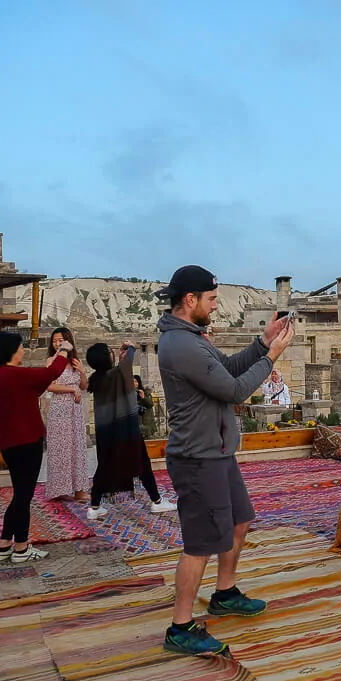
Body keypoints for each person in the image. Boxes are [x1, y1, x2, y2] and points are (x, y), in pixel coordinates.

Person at [156, 265, 294, 658]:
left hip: (216, 451)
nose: (216, 307)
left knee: (239, 519)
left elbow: (228, 369)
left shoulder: (191, 339)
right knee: (200, 544)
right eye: (212, 299)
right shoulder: (182, 345)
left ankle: (224, 593)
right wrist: (272, 357)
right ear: (190, 300)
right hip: (198, 457)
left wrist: (261, 342)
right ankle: (180, 627)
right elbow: (234, 389)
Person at [0, 331, 72, 562]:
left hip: (9, 443)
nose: (23, 351)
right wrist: (63, 349)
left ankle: (4, 543)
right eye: (20, 347)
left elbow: (36, 387)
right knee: (23, 497)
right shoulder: (18, 375)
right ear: (12, 351)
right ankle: (21, 547)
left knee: (19, 494)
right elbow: (53, 372)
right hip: (27, 441)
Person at [85, 343, 176, 520]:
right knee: (143, 465)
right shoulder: (118, 374)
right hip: (126, 432)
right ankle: (157, 501)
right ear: (106, 358)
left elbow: (122, 366)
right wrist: (129, 347)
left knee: (104, 467)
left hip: (107, 433)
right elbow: (130, 356)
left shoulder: (96, 379)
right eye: (110, 353)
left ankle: (94, 507)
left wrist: (121, 357)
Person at [43, 328, 89, 502]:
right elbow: (50, 386)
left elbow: (84, 386)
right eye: (54, 341)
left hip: (75, 410)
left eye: (60, 340)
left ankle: (79, 488)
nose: (57, 344)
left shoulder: (76, 361)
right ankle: (61, 488)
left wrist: (83, 372)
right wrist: (71, 389)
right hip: (59, 408)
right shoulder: (51, 361)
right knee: (61, 448)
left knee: (77, 447)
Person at [134, 375, 157, 439]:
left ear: (139, 382)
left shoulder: (146, 392)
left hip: (146, 423)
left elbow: (150, 404)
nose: (134, 383)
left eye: (136, 381)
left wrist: (143, 397)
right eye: (132, 382)